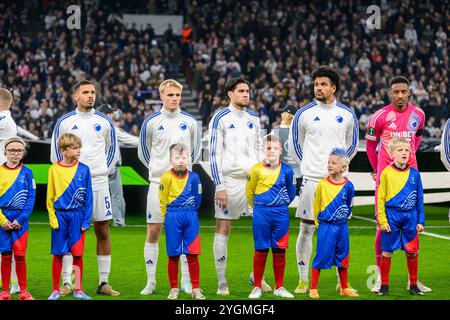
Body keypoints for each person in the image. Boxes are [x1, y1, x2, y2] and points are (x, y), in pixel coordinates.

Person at [288, 66, 359, 294]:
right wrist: (312, 167)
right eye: (316, 84)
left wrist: (338, 169)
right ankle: (303, 279)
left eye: (323, 84)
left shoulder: (347, 114)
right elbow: (294, 146)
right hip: (312, 180)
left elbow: (352, 145)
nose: (318, 88)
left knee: (339, 231)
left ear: (334, 88)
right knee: (306, 230)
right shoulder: (304, 113)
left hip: (338, 183)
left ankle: (342, 283)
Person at [51, 80, 119, 296]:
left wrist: (98, 171)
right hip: (71, 184)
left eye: (93, 92)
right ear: (75, 96)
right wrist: (70, 174)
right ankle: (67, 284)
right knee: (70, 233)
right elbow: (55, 153)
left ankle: (103, 282)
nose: (91, 96)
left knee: (102, 230)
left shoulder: (105, 121)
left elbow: (112, 152)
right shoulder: (64, 122)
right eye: (86, 92)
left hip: (98, 182)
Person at [365, 76, 430, 293]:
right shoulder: (380, 116)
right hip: (387, 178)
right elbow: (370, 145)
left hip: (410, 176)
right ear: (390, 93)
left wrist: (409, 158)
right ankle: (379, 277)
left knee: (413, 227)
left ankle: (414, 280)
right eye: (396, 92)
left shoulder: (418, 115)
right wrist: (377, 170)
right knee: (381, 226)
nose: (400, 96)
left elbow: (417, 139)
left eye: (404, 92)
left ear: (409, 92)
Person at [138, 79, 201, 295]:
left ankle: (185, 281)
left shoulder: (191, 121)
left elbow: (196, 150)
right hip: (158, 184)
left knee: (184, 234)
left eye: (177, 95)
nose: (174, 99)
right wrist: (161, 171)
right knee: (153, 230)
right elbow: (144, 153)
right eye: (170, 95)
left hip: (184, 186)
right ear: (162, 96)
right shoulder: (152, 121)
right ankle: (151, 281)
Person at [208, 77, 268, 296]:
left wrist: (266, 175)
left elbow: (260, 149)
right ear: (230, 94)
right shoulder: (220, 118)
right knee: (223, 228)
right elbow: (214, 153)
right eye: (241, 90)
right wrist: (219, 185)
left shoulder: (254, 118)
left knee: (261, 229)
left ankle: (257, 276)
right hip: (230, 182)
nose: (246, 94)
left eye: (248, 90)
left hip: (254, 183)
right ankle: (222, 282)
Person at [246, 135, 296, 299]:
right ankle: (257, 286)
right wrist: (260, 208)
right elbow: (249, 193)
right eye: (269, 148)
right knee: (260, 249)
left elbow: (291, 192)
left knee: (279, 250)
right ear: (263, 150)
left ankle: (279, 287)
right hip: (261, 213)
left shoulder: (288, 170)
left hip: (281, 214)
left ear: (281, 150)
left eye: (275, 148)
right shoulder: (255, 169)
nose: (272, 151)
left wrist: (279, 206)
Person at [47, 133, 93, 300]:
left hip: (77, 217)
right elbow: (49, 197)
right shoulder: (54, 169)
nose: (78, 150)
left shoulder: (84, 169)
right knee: (58, 253)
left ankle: (78, 289)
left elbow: (89, 198)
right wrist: (53, 218)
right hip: (60, 216)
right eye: (74, 148)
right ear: (63, 151)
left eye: (79, 147)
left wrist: (86, 220)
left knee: (78, 254)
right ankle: (55, 289)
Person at [377, 138, 425, 296]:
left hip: (410, 217)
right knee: (387, 252)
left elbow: (419, 199)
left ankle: (413, 285)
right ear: (392, 154)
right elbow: (380, 199)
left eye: (406, 150)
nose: (404, 153)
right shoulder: (386, 173)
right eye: (400, 150)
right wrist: (382, 221)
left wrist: (420, 220)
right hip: (392, 217)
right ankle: (384, 286)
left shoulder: (415, 174)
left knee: (412, 252)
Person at [309, 148, 359, 299]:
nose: (329, 165)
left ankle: (344, 288)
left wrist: (341, 219)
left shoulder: (349, 186)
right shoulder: (323, 185)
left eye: (334, 163)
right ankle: (313, 288)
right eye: (329, 162)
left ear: (343, 168)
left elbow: (349, 205)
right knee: (321, 256)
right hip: (326, 226)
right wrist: (319, 223)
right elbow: (316, 205)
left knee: (343, 257)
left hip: (342, 226)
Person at [159, 143, 204, 300]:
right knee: (173, 255)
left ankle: (196, 289)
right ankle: (174, 289)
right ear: (171, 160)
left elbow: (198, 199)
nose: (181, 160)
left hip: (190, 216)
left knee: (193, 254)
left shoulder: (194, 177)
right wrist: (166, 219)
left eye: (184, 157)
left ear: (188, 159)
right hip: (173, 216)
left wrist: (190, 210)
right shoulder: (165, 177)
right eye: (177, 157)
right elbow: (163, 201)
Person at [0, 137, 36, 300]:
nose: (15, 153)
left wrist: (20, 219)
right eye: (12, 150)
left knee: (20, 256)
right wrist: (2, 221)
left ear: (23, 153)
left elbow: (31, 198)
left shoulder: (28, 172)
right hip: (3, 219)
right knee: (5, 255)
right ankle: (5, 291)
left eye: (19, 150)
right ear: (5, 152)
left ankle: (23, 291)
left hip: (20, 220)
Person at [98, 104, 139, 227]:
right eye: (109, 113)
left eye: (112, 112)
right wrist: (145, 142)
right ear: (103, 114)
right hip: (106, 167)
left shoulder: (96, 127)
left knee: (102, 195)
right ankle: (118, 221)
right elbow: (128, 139)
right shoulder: (110, 128)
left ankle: (97, 220)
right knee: (115, 196)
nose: (112, 115)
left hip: (101, 167)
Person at [272, 104, 302, 193]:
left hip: (283, 173)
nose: (281, 115)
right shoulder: (301, 131)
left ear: (289, 116)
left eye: (284, 113)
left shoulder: (277, 130)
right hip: (299, 173)